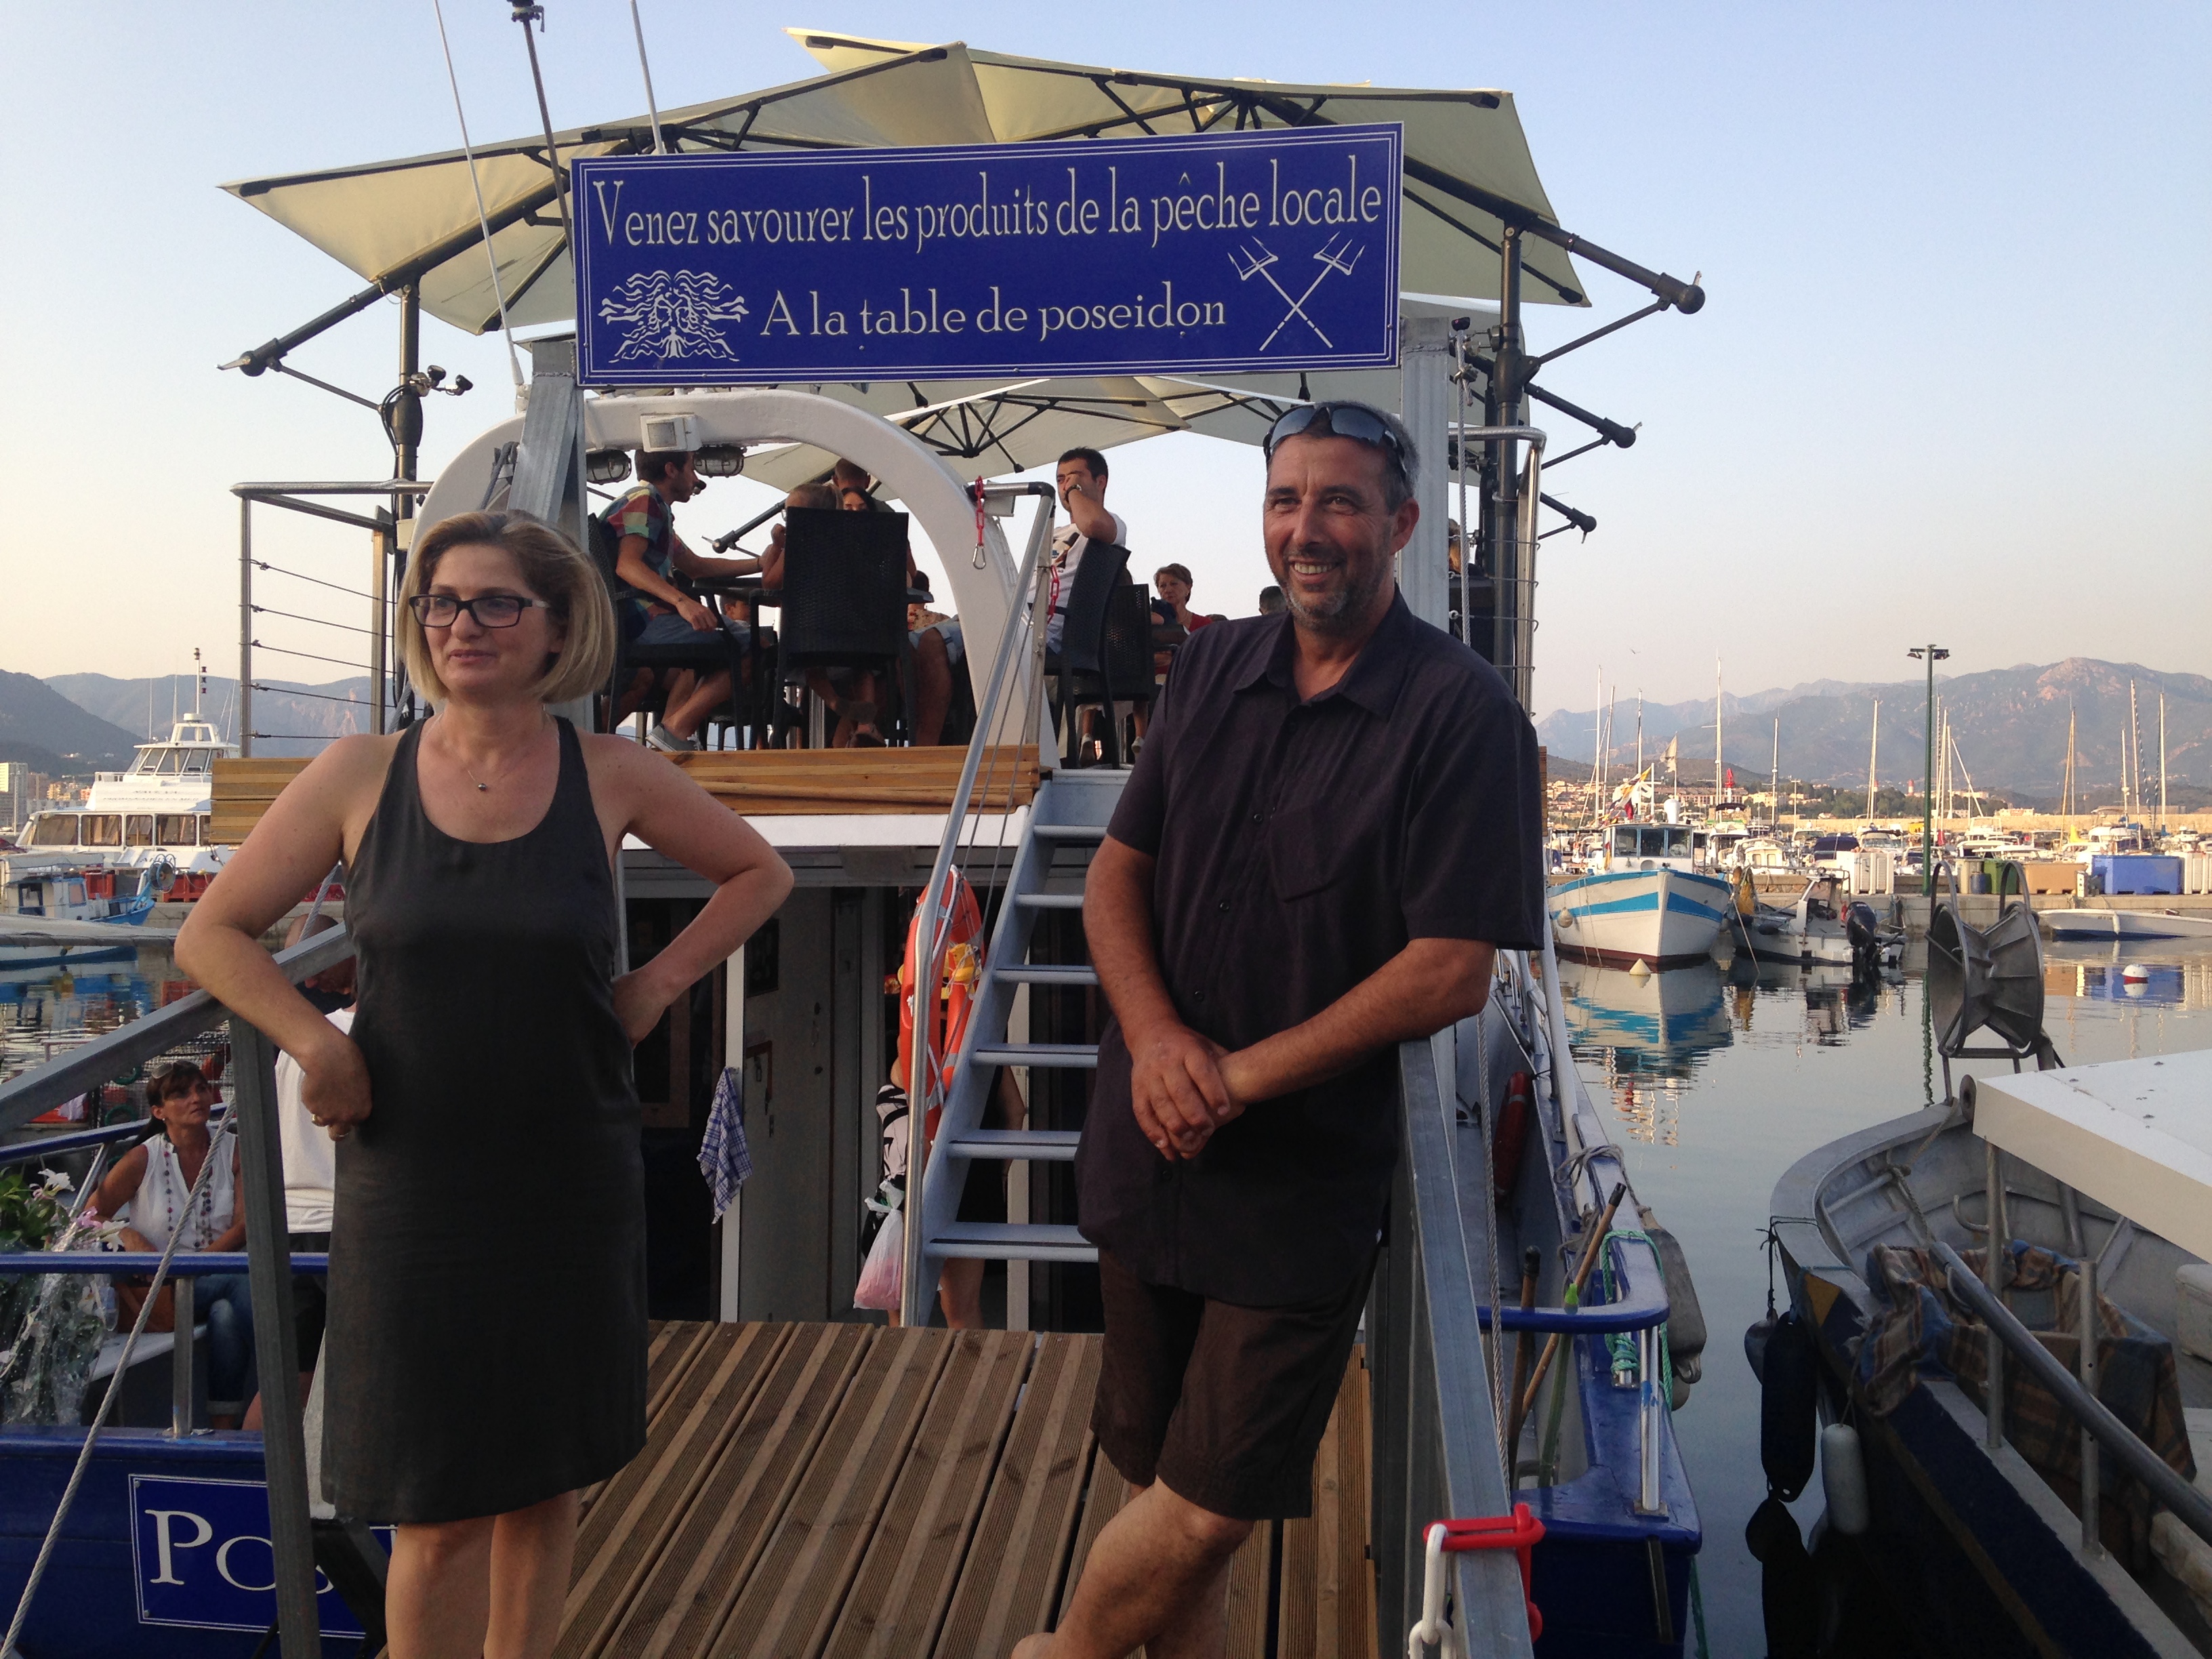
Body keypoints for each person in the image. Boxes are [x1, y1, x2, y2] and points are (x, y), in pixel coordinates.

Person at [176, 510, 793, 1659]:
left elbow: (760, 871)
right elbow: (214, 937)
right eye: (442, 602)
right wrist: (318, 1042)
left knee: (542, 1485)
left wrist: (657, 981)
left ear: (557, 626)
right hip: (413, 1185)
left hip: (567, 1174)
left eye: (496, 601)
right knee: (437, 1505)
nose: (464, 623)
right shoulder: (361, 773)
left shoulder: (610, 770)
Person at [1019, 402, 1545, 1659]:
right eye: (1284, 501)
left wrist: (1234, 1077)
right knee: (1155, 1471)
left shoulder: (1459, 713)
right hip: (1152, 1138)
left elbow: (1447, 972)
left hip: (1296, 1178)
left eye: (1340, 502)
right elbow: (1113, 874)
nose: (1307, 530)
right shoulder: (1207, 666)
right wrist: (1155, 1044)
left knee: (1205, 1510)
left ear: (1402, 525)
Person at [89, 1061, 255, 1429]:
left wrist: (196, 1267)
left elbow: (243, 1225)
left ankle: (223, 1426)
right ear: (159, 1112)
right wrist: (126, 1234)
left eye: (201, 1089)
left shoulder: (234, 1149)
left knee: (226, 1315)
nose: (196, 1098)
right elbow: (89, 1217)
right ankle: (288, 1369)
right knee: (238, 1284)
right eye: (181, 1094)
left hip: (209, 1275)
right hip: (162, 1287)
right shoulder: (142, 1159)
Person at [609, 449, 763, 753]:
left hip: (635, 621)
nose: (696, 478)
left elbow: (696, 566)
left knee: (721, 647)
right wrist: (682, 602)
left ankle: (669, 739)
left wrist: (759, 563)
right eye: (692, 469)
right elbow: (627, 565)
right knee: (756, 645)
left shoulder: (655, 510)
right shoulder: (645, 500)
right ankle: (674, 731)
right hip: (642, 622)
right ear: (671, 470)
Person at [1039, 449, 1127, 658]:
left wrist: (1073, 490)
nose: (1066, 485)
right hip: (1019, 618)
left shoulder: (1113, 524)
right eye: (1061, 479)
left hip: (1048, 634)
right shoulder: (1051, 532)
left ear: (1100, 482)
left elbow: (1093, 523)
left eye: (1076, 477)